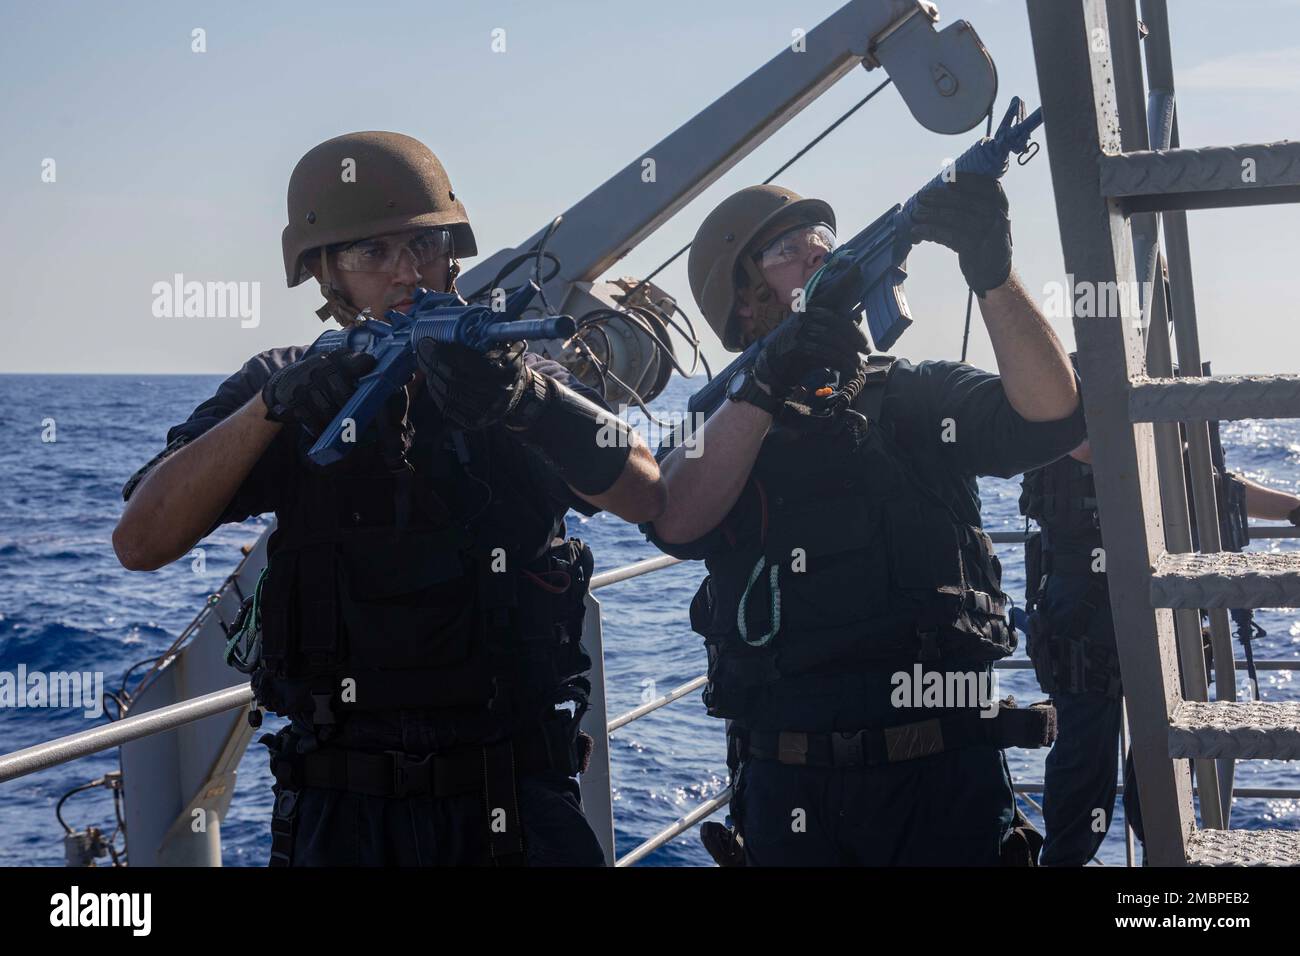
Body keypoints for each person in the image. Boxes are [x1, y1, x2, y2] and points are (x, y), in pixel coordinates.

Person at [113, 131, 667, 866]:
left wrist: (528, 399)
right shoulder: (283, 385)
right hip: (342, 810)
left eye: (424, 247)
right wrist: (276, 406)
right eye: (372, 253)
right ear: (323, 274)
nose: (408, 271)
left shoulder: (514, 372)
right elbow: (142, 541)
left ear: (453, 255)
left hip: (513, 796)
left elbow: (646, 494)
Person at [644, 175, 1086, 865]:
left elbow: (1051, 416)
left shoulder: (913, 396)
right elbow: (673, 519)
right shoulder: (722, 429)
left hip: (945, 786)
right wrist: (766, 384)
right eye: (789, 247)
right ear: (745, 301)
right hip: (793, 795)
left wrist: (993, 277)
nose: (819, 252)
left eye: (822, 238)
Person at [1020, 395, 1300, 866]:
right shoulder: (1059, 405)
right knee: (1081, 775)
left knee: (1161, 779)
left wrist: (1294, 509)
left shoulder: (1158, 433)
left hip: (1159, 611)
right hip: (1082, 619)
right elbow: (1093, 447)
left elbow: (1212, 489)